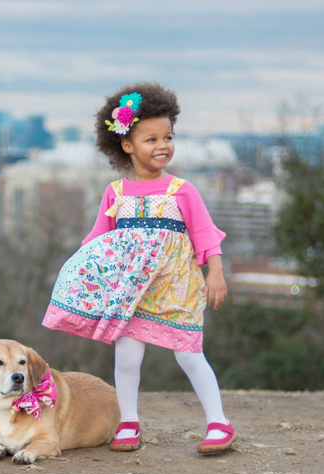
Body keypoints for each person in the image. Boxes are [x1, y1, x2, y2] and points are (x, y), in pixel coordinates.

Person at [41, 82, 237, 454]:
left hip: (177, 287)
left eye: (168, 137)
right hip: (132, 290)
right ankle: (128, 421)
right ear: (127, 146)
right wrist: (81, 279)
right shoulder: (116, 193)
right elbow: (98, 240)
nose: (162, 145)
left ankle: (219, 424)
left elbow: (206, 235)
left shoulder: (182, 190)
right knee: (127, 355)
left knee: (189, 354)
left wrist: (215, 272)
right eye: (151, 139)